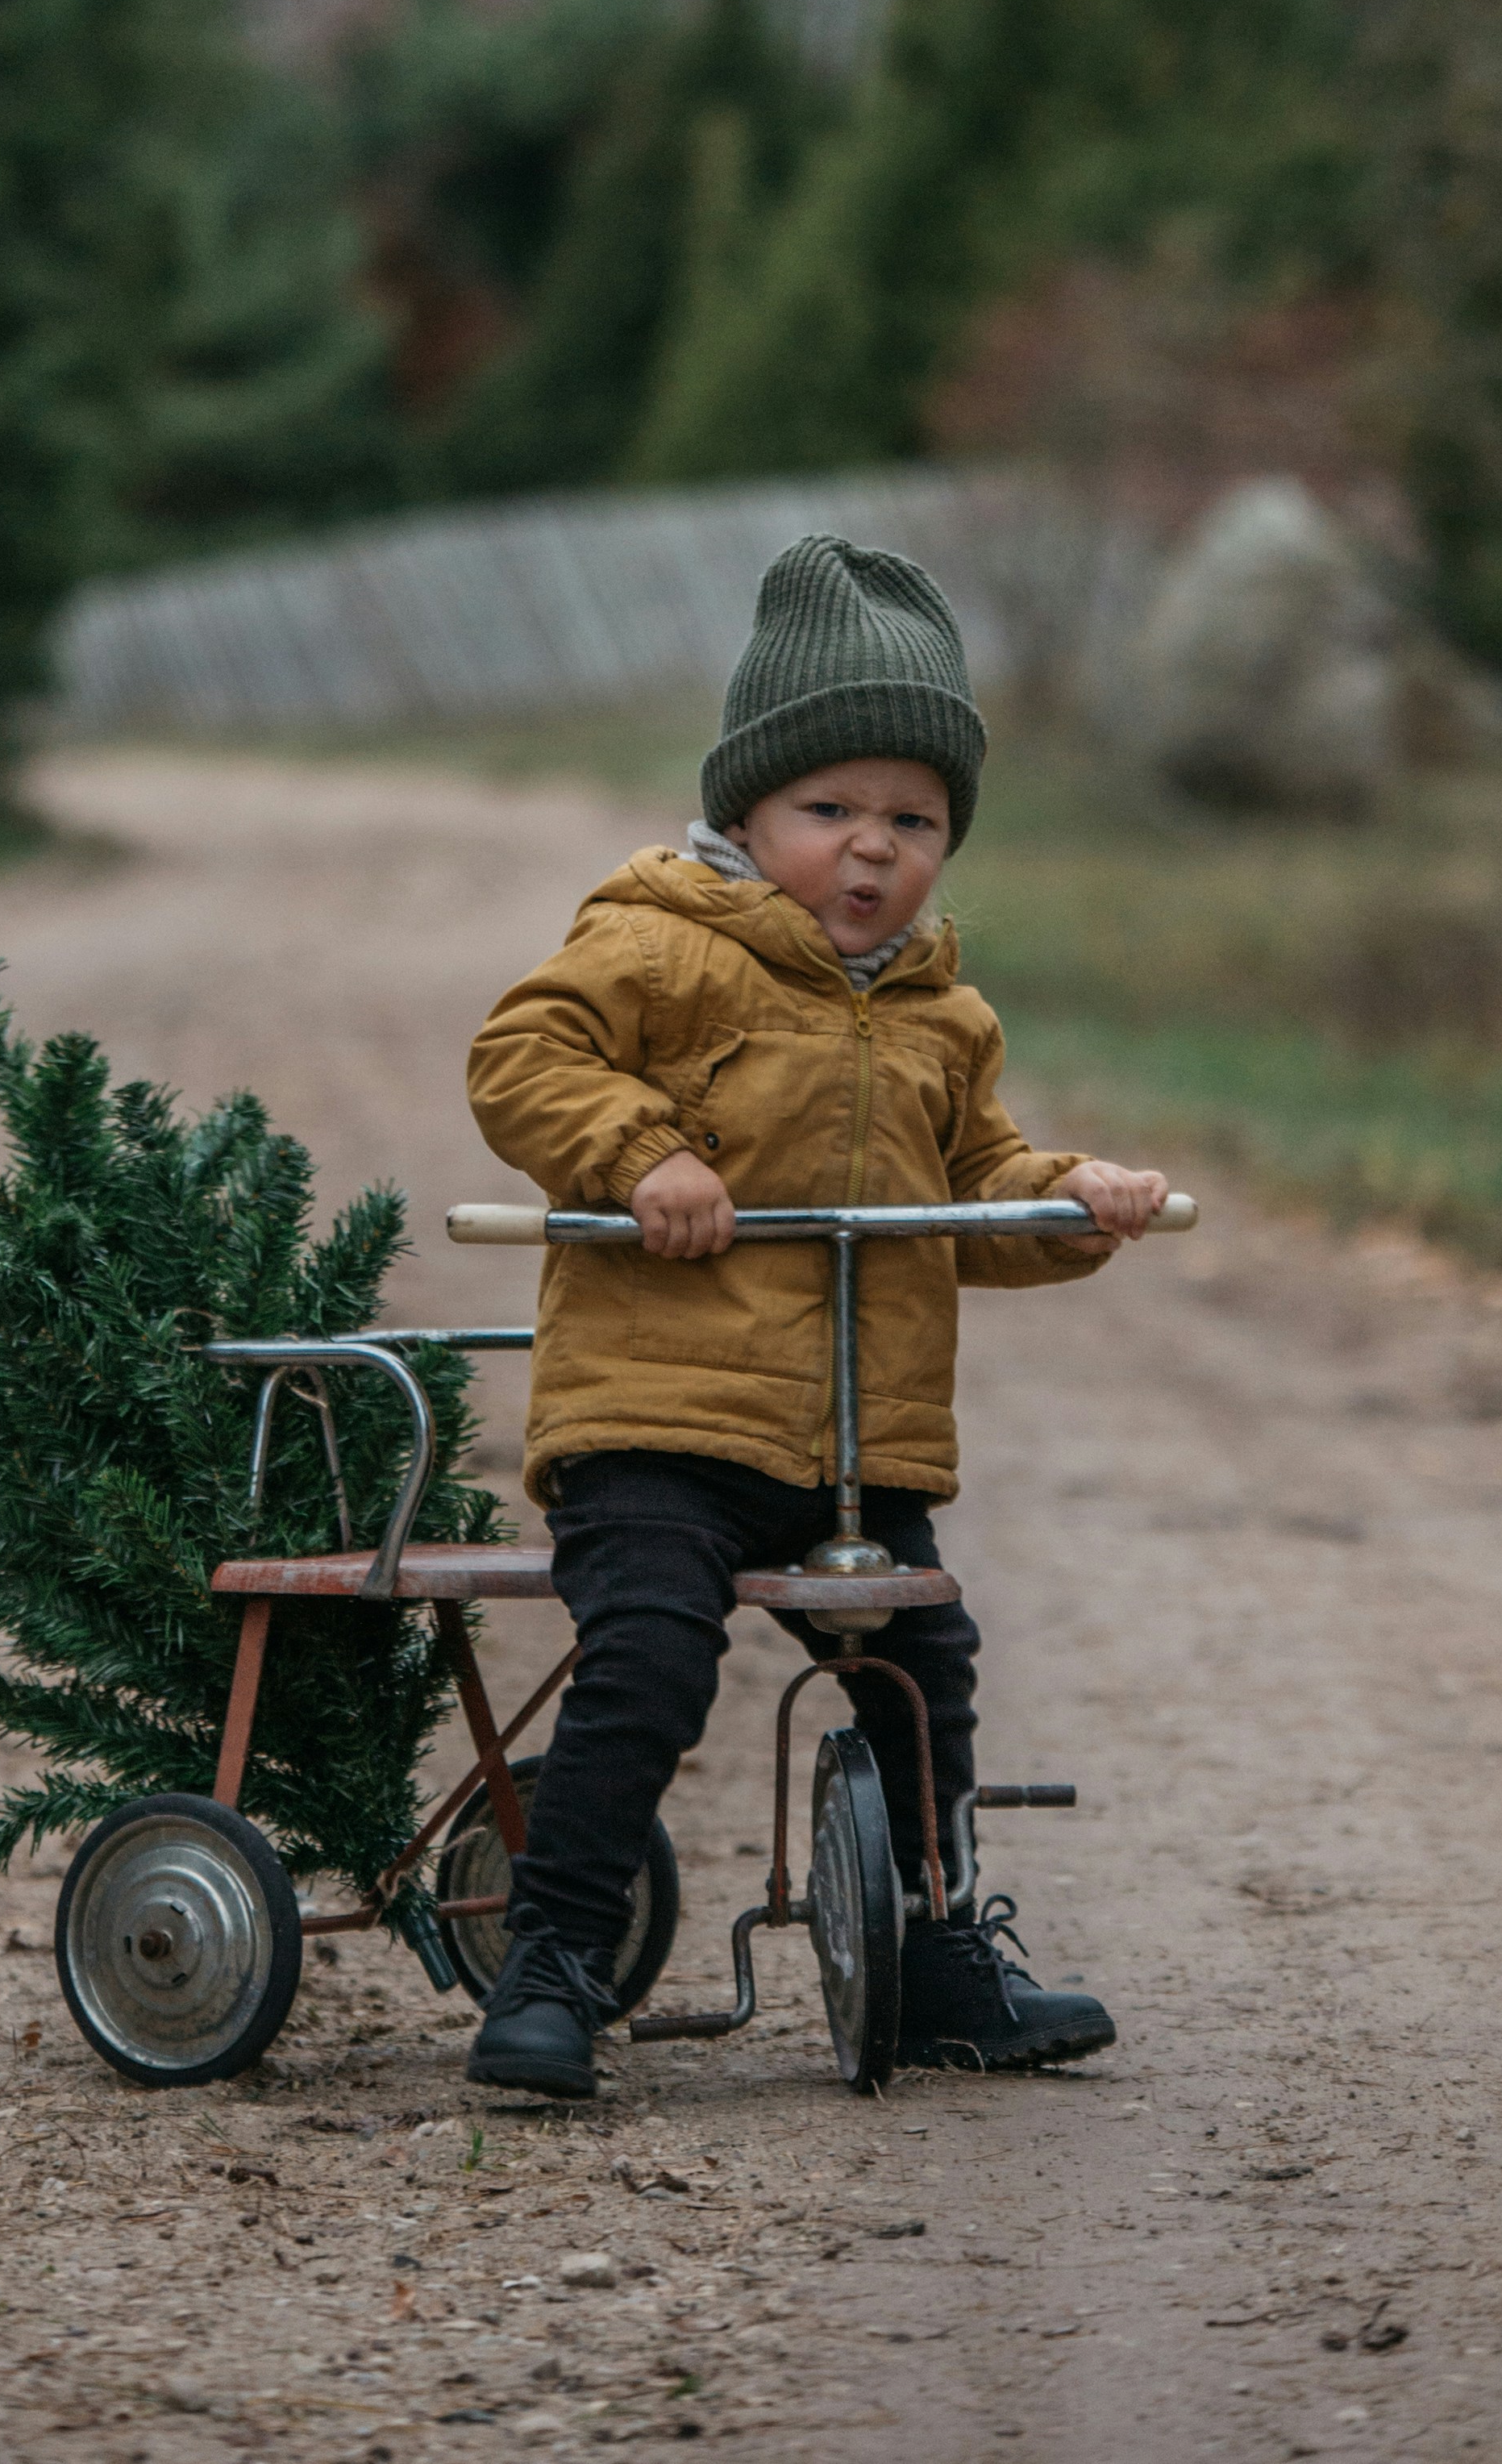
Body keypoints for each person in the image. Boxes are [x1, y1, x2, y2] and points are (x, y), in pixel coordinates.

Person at [460, 533, 1168, 2100]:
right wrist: (639, 1153)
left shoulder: (939, 1012)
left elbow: (973, 1183)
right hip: (663, 1420)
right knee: (648, 1655)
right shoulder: (659, 944)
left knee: (927, 1664)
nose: (870, 852)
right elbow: (522, 1058)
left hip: (855, 1446)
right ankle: (555, 1961)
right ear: (744, 811)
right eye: (828, 810)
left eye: (911, 820)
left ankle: (929, 1952)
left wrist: (1073, 1197)